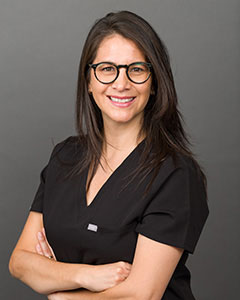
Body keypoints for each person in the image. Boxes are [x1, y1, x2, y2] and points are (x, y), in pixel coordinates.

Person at [9, 10, 209, 300]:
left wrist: (60, 293)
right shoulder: (65, 157)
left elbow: (142, 294)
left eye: (136, 69)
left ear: (154, 83)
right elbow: (20, 262)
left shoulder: (175, 174)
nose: (121, 83)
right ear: (89, 80)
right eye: (107, 68)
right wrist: (86, 276)